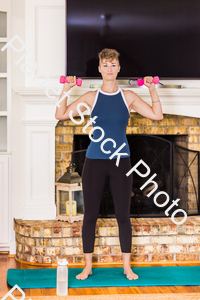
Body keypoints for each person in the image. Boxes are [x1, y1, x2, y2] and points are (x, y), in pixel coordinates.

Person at [55, 48, 163, 281]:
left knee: (123, 215)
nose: (110, 69)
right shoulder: (92, 97)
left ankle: (127, 267)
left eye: (113, 65)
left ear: (119, 68)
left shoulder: (128, 97)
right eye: (105, 65)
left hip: (121, 162)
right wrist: (65, 90)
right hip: (94, 162)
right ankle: (87, 266)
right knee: (90, 216)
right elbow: (61, 114)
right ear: (99, 68)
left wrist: (153, 90)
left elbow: (157, 116)